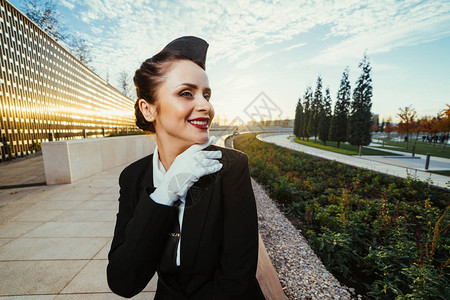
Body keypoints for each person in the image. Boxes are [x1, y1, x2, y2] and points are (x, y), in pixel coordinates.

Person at [106, 36, 265, 299]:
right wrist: (165, 193)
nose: (206, 106)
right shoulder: (133, 177)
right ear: (148, 109)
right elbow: (123, 281)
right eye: (186, 93)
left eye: (207, 95)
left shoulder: (230, 167)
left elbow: (236, 278)